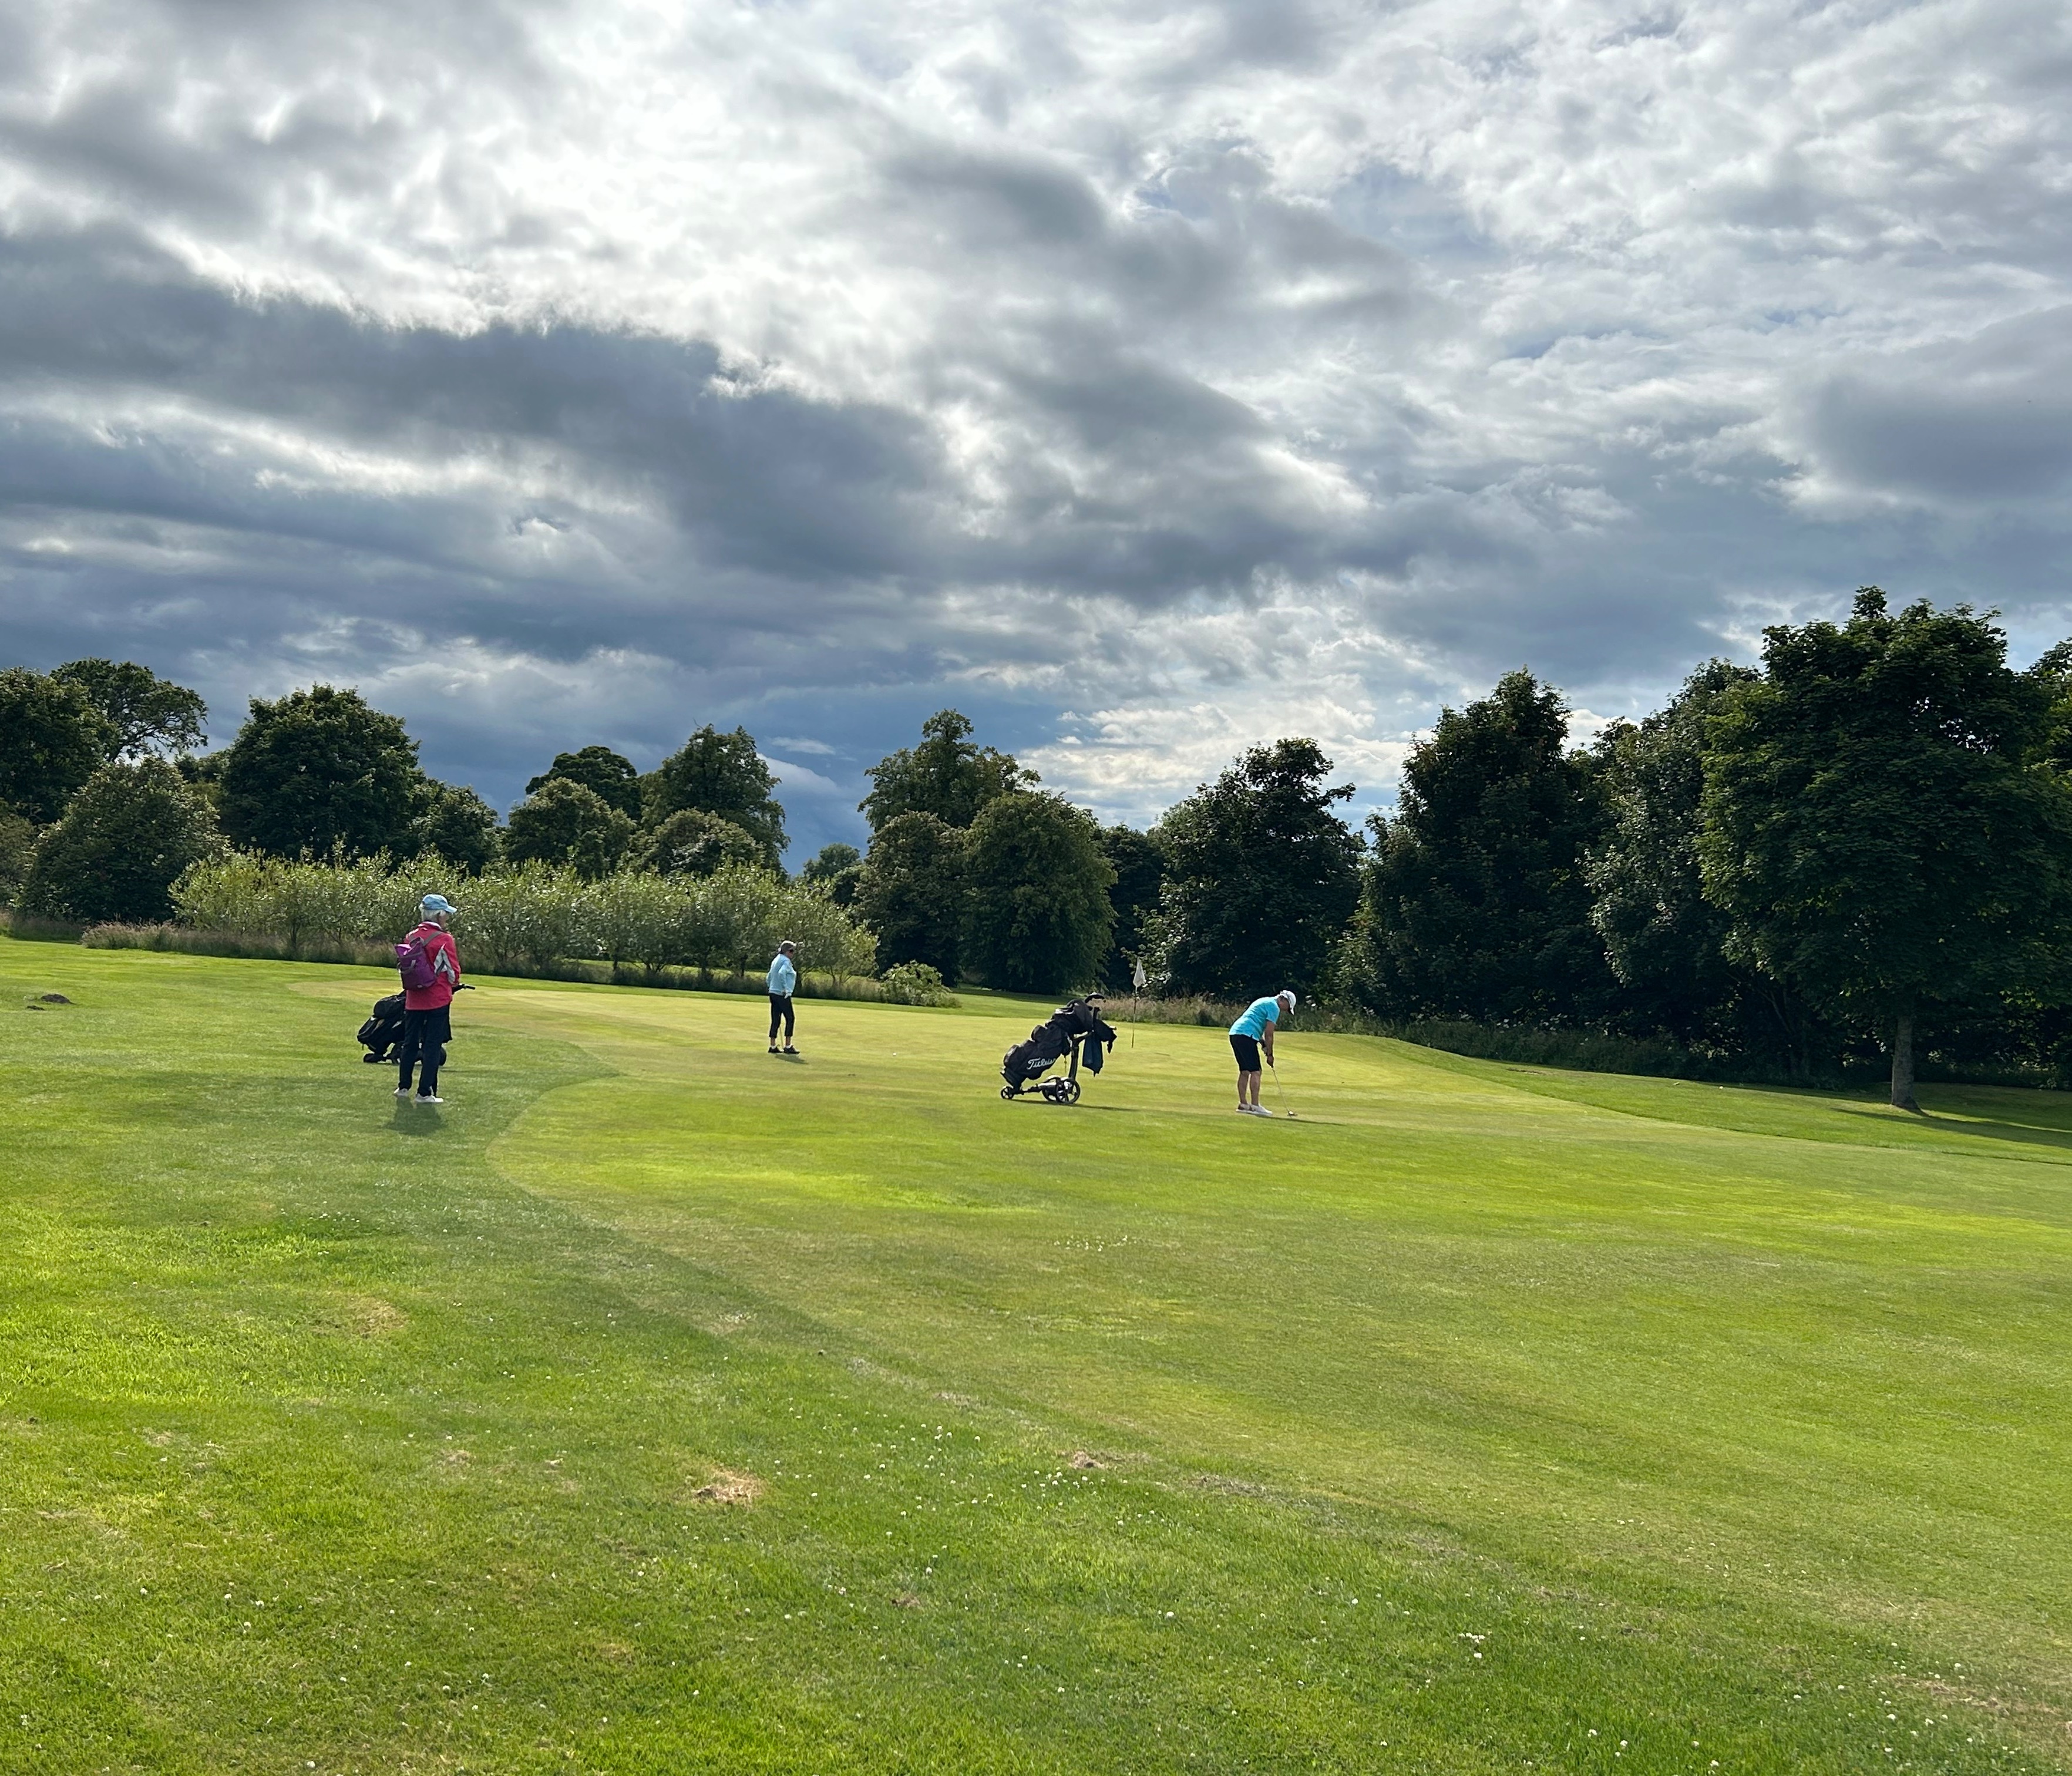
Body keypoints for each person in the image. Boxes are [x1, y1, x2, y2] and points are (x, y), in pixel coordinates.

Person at [397, 894, 462, 1106]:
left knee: (410, 1042)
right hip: (437, 998)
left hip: (414, 997)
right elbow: (453, 972)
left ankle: (403, 1086)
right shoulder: (444, 939)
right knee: (432, 1046)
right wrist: (452, 984)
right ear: (439, 914)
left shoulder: (411, 936)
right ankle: (425, 1092)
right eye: (445, 915)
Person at [1227, 988, 1296, 1116]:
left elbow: (1253, 1022)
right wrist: (1270, 1054)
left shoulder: (1264, 1001)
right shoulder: (1274, 1007)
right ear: (1284, 1000)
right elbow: (1269, 1033)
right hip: (1246, 1036)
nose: (1285, 1011)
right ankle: (1255, 1105)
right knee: (1256, 1071)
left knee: (1245, 1071)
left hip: (1236, 1034)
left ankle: (1243, 1105)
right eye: (1287, 1008)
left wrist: (1262, 1043)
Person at [766, 939, 799, 1055]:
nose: (793, 954)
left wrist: (770, 987)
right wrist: (785, 988)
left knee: (776, 1019)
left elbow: (769, 976)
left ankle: (773, 1045)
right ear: (787, 951)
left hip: (773, 993)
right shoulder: (786, 961)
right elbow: (781, 973)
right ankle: (788, 1045)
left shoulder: (776, 960)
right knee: (790, 1018)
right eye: (792, 951)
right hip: (782, 994)